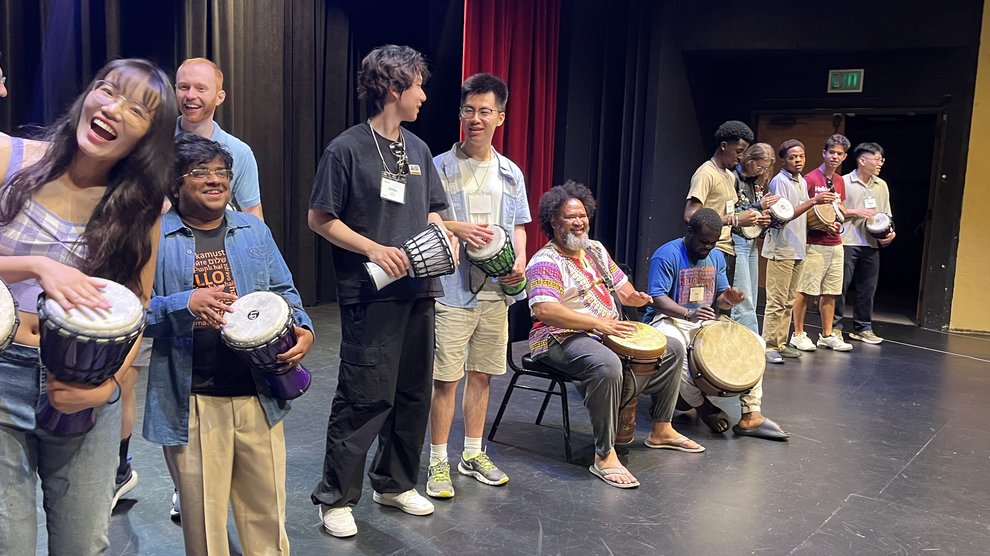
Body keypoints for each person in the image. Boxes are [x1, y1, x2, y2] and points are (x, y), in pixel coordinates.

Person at [0, 58, 175, 555]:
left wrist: (107, 387)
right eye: (108, 90)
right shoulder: (10, 158)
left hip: (82, 383)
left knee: (84, 546)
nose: (114, 109)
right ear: (88, 96)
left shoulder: (142, 211)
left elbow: (136, 309)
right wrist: (34, 267)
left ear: (147, 137)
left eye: (138, 109)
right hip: (1, 369)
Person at [308, 45, 455, 538]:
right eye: (417, 85)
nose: (423, 96)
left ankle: (394, 483)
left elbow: (434, 208)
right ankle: (335, 498)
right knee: (365, 394)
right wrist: (372, 248)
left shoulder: (416, 150)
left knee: (413, 392)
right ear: (394, 88)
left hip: (420, 289)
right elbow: (320, 218)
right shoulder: (345, 149)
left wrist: (444, 234)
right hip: (370, 294)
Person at [142, 134, 313, 555]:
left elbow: (284, 291)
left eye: (221, 172)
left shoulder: (253, 229)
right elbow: (133, 311)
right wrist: (186, 303)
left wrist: (303, 327)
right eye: (201, 173)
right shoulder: (154, 238)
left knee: (267, 517)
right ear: (175, 184)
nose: (215, 180)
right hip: (194, 403)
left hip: (259, 394)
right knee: (205, 527)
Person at [526, 180, 700, 490]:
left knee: (672, 347)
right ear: (554, 221)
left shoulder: (595, 250)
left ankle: (661, 428)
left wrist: (635, 298)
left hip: (605, 331)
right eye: (570, 217)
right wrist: (597, 324)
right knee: (608, 366)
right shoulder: (545, 261)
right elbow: (545, 311)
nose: (579, 222)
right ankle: (604, 455)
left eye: (583, 215)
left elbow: (623, 289)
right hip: (559, 337)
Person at [427, 73, 529, 499]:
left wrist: (520, 263)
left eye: (484, 111)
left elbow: (519, 226)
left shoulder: (510, 173)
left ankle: (472, 453)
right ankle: (436, 462)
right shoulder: (438, 166)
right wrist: (457, 227)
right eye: (468, 110)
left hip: (495, 293)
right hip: (451, 290)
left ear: (500, 117)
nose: (475, 118)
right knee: (445, 379)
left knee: (482, 375)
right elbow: (423, 219)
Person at [644, 208, 789, 440]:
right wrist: (688, 314)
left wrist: (728, 300)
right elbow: (657, 298)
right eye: (703, 242)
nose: (707, 248)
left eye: (712, 243)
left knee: (756, 344)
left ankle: (751, 414)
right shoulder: (667, 254)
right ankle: (702, 407)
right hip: (669, 318)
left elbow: (721, 297)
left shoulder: (716, 256)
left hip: (703, 319)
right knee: (677, 349)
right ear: (689, 232)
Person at [760, 139, 837, 364]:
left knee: (788, 301)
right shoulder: (779, 182)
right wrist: (814, 200)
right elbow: (784, 214)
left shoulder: (801, 181)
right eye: (792, 157)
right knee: (776, 300)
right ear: (784, 159)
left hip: (797, 247)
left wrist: (825, 221)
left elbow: (804, 214)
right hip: (780, 248)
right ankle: (769, 345)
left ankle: (781, 342)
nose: (797, 161)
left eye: (801, 156)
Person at [175, 58, 263, 220]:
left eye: (201, 89)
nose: (190, 95)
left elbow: (252, 212)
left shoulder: (240, 152)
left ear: (219, 97)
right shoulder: (153, 142)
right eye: (183, 87)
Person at [790, 135, 854, 352]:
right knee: (804, 290)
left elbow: (838, 207)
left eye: (839, 154)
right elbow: (800, 212)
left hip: (835, 243)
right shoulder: (809, 179)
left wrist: (839, 217)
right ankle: (798, 333)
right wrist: (818, 226)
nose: (835, 157)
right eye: (832, 152)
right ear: (824, 153)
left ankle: (827, 334)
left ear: (844, 157)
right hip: (813, 243)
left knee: (831, 291)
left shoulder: (840, 181)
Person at [684, 120, 760, 286]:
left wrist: (756, 216)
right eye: (738, 151)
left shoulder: (730, 176)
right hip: (708, 250)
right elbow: (691, 216)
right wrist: (736, 220)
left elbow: (728, 213)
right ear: (724, 145)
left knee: (724, 308)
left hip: (726, 249)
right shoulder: (706, 173)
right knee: (705, 308)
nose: (740, 158)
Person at [833, 142, 895, 344]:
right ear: (862, 160)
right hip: (847, 240)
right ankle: (834, 327)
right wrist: (855, 212)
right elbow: (835, 210)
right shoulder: (843, 181)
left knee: (867, 288)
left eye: (881, 159)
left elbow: (886, 214)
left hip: (871, 242)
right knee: (840, 286)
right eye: (877, 159)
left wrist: (889, 233)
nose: (880, 163)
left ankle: (863, 327)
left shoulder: (881, 185)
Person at [730, 143, 779, 333]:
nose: (762, 170)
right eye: (760, 166)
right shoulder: (733, 178)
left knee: (752, 293)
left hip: (752, 241)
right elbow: (730, 212)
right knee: (743, 296)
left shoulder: (755, 182)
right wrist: (759, 206)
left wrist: (765, 218)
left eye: (766, 168)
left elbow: (753, 211)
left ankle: (749, 337)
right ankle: (750, 339)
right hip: (737, 240)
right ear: (749, 160)